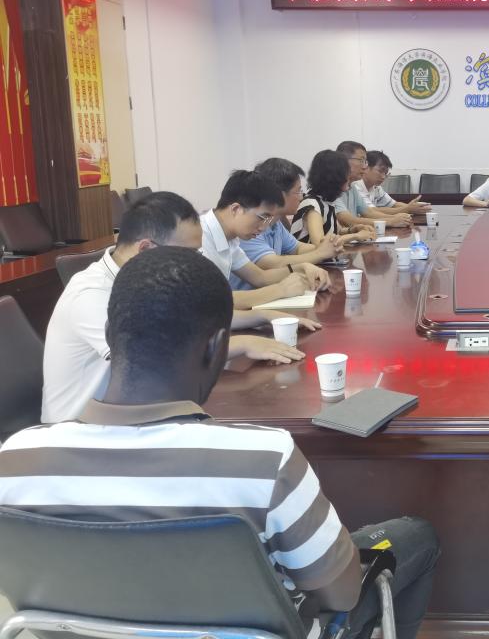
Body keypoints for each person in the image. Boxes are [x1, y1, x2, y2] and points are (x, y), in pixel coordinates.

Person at [2, 246, 440, 639]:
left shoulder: (14, 461)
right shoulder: (264, 460)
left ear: (110, 335)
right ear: (216, 347)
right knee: (415, 535)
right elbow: (341, 594)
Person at [41, 192, 316, 423]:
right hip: (80, 434)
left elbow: (191, 319)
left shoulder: (146, 279)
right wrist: (243, 343)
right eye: (188, 255)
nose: (196, 264)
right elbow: (151, 353)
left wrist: (261, 316)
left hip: (137, 414)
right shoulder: (91, 295)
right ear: (146, 249)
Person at [201, 170, 330, 309]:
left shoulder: (229, 237)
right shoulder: (200, 238)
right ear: (236, 209)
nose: (263, 228)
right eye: (262, 218)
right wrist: (281, 290)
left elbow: (260, 277)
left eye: (268, 220)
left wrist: (302, 267)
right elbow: (213, 300)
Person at [229, 158, 355, 290]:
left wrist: (328, 248)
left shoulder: (276, 223)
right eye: (298, 191)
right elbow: (272, 263)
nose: (301, 197)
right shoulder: (251, 226)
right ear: (279, 194)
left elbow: (297, 248)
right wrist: (320, 253)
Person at [293, 150, 379, 247]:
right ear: (335, 177)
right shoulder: (312, 205)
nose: (349, 178)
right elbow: (320, 244)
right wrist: (355, 236)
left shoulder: (326, 201)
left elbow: (336, 231)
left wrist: (353, 229)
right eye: (347, 174)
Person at [336, 141, 412, 229]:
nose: (365, 167)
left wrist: (395, 218)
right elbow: (348, 220)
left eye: (365, 162)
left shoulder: (352, 186)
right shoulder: (332, 187)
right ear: (344, 160)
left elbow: (368, 212)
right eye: (361, 161)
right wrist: (391, 221)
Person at [354, 150, 430, 217]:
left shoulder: (376, 188)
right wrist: (408, 209)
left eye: (386, 173)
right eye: (380, 171)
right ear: (366, 167)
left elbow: (393, 204)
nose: (383, 177)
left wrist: (416, 208)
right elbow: (372, 211)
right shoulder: (356, 186)